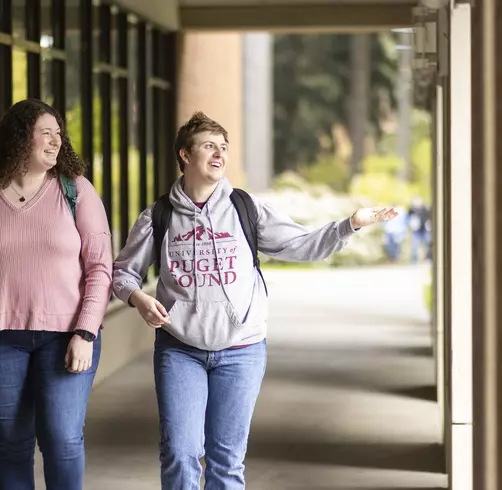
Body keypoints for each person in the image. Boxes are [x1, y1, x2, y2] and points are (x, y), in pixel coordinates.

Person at [112, 111, 397, 490]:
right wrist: (138, 298)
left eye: (224, 147)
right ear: (185, 154)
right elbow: (123, 273)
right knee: (180, 453)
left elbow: (301, 244)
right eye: (209, 146)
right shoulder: (159, 216)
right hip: (179, 350)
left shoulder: (246, 208)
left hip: (241, 350)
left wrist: (350, 225)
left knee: (226, 462)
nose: (219, 154)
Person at [0, 99, 113, 490]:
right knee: (10, 444)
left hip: (67, 337)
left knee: (62, 439)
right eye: (44, 132)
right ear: (18, 137)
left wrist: (86, 332)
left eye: (58, 134)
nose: (55, 141)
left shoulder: (75, 190)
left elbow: (101, 268)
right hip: (3, 340)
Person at [408, 196, 431, 263]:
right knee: (415, 244)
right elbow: (409, 215)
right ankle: (414, 260)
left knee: (427, 243)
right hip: (416, 229)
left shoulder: (425, 208)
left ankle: (428, 258)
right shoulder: (412, 209)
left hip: (424, 228)